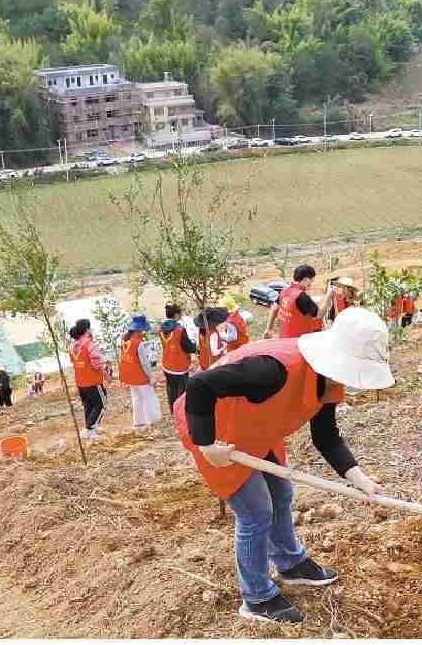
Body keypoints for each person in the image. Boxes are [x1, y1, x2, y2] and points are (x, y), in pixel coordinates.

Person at [175, 307, 392, 625]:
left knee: (280, 491)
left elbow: (326, 436)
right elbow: (199, 387)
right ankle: (257, 597)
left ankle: (290, 563)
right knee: (255, 512)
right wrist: (207, 445)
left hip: (257, 428)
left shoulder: (327, 378)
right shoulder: (272, 371)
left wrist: (360, 479)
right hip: (215, 431)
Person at [264, 265, 332, 340]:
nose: (311, 284)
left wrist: (268, 328)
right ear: (306, 279)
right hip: (298, 341)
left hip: (284, 338)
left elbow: (274, 308)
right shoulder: (301, 296)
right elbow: (319, 314)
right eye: (312, 280)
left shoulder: (284, 291)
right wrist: (328, 295)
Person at [69, 319, 111, 439]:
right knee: (101, 403)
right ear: (87, 329)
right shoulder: (90, 344)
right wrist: (106, 374)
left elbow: (73, 361)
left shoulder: (72, 345)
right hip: (92, 381)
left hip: (80, 381)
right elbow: (97, 364)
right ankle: (90, 428)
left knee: (89, 405)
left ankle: (91, 426)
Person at [119, 315, 162, 429]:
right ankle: (152, 421)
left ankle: (139, 422)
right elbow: (144, 363)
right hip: (141, 376)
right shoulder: (138, 343)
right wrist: (151, 377)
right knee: (148, 397)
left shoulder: (124, 340)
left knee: (137, 398)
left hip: (130, 376)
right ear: (140, 329)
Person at [160, 304, 198, 412]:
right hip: (179, 366)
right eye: (180, 313)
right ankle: (181, 411)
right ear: (176, 315)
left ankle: (173, 409)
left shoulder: (161, 329)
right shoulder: (179, 330)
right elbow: (188, 348)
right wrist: (196, 346)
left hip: (167, 364)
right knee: (182, 391)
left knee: (171, 389)